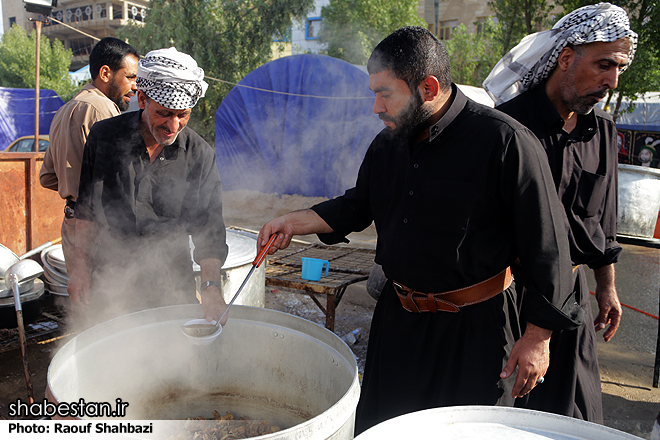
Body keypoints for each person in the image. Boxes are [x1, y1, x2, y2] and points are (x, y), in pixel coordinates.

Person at [258, 26, 584, 434]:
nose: (375, 107)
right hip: (399, 326)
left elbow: (548, 247)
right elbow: (358, 205)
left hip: (476, 332)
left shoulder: (505, 141)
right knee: (386, 429)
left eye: (385, 93)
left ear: (428, 87)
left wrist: (537, 338)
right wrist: (292, 221)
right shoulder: (387, 144)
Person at [484, 2, 637, 423]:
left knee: (573, 419)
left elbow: (603, 226)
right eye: (604, 64)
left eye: (619, 67)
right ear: (566, 58)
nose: (612, 80)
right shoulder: (506, 128)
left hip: (571, 305)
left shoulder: (602, 132)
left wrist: (606, 288)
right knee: (503, 417)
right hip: (508, 301)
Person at [67, 47, 228, 328]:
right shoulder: (104, 138)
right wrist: (80, 269)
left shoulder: (199, 154)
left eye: (183, 115)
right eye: (164, 114)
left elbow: (210, 229)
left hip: (172, 282)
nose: (173, 125)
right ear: (142, 99)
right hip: (112, 277)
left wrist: (211, 286)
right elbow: (88, 211)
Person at [39, 37, 139, 273]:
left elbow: (48, 177)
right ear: (106, 73)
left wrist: (75, 190)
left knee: (85, 306)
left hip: (72, 225)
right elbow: (123, 176)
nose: (135, 86)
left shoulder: (64, 110)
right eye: (130, 77)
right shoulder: (102, 109)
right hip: (97, 229)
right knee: (113, 306)